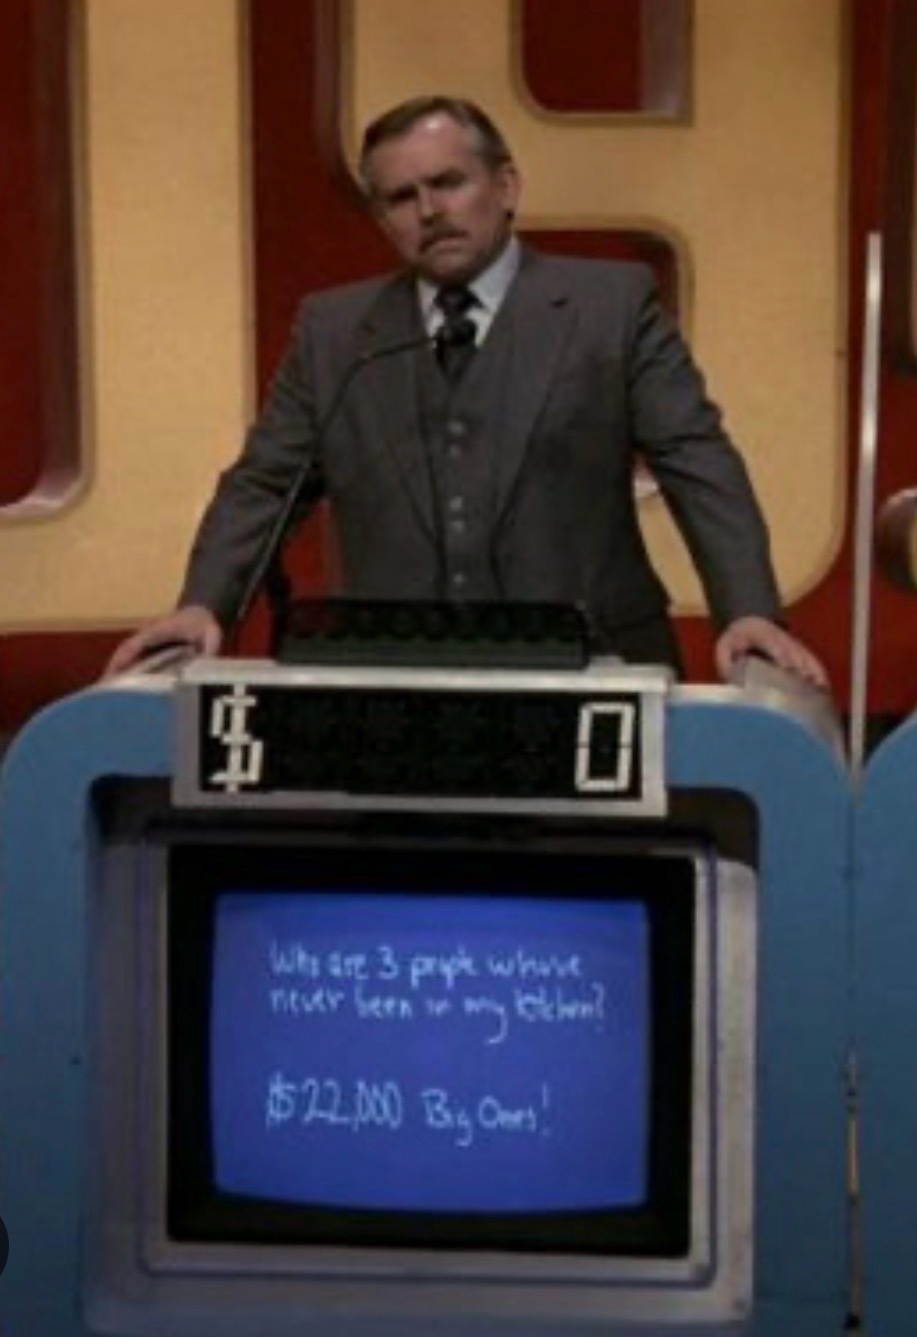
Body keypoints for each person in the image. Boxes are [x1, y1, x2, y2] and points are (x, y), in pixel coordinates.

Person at [106, 94, 827, 686]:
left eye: (449, 182)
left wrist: (748, 610)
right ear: (382, 219)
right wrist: (204, 604)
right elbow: (266, 484)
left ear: (505, 187)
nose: (429, 210)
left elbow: (696, 459)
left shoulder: (608, 305)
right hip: (394, 684)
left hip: (596, 674)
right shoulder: (336, 333)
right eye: (401, 197)